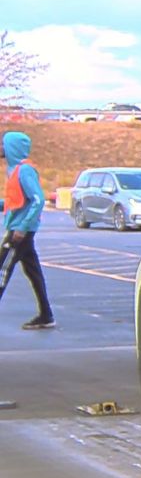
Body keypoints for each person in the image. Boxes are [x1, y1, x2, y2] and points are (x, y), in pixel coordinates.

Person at [2, 130, 55, 330]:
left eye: (4, 145)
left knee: (2, 269)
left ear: (12, 148)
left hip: (19, 232)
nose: (1, 148)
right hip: (18, 227)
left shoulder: (24, 171)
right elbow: (17, 202)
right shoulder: (14, 171)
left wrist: (23, 228)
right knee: (33, 272)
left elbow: (38, 199)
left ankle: (46, 314)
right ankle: (46, 314)